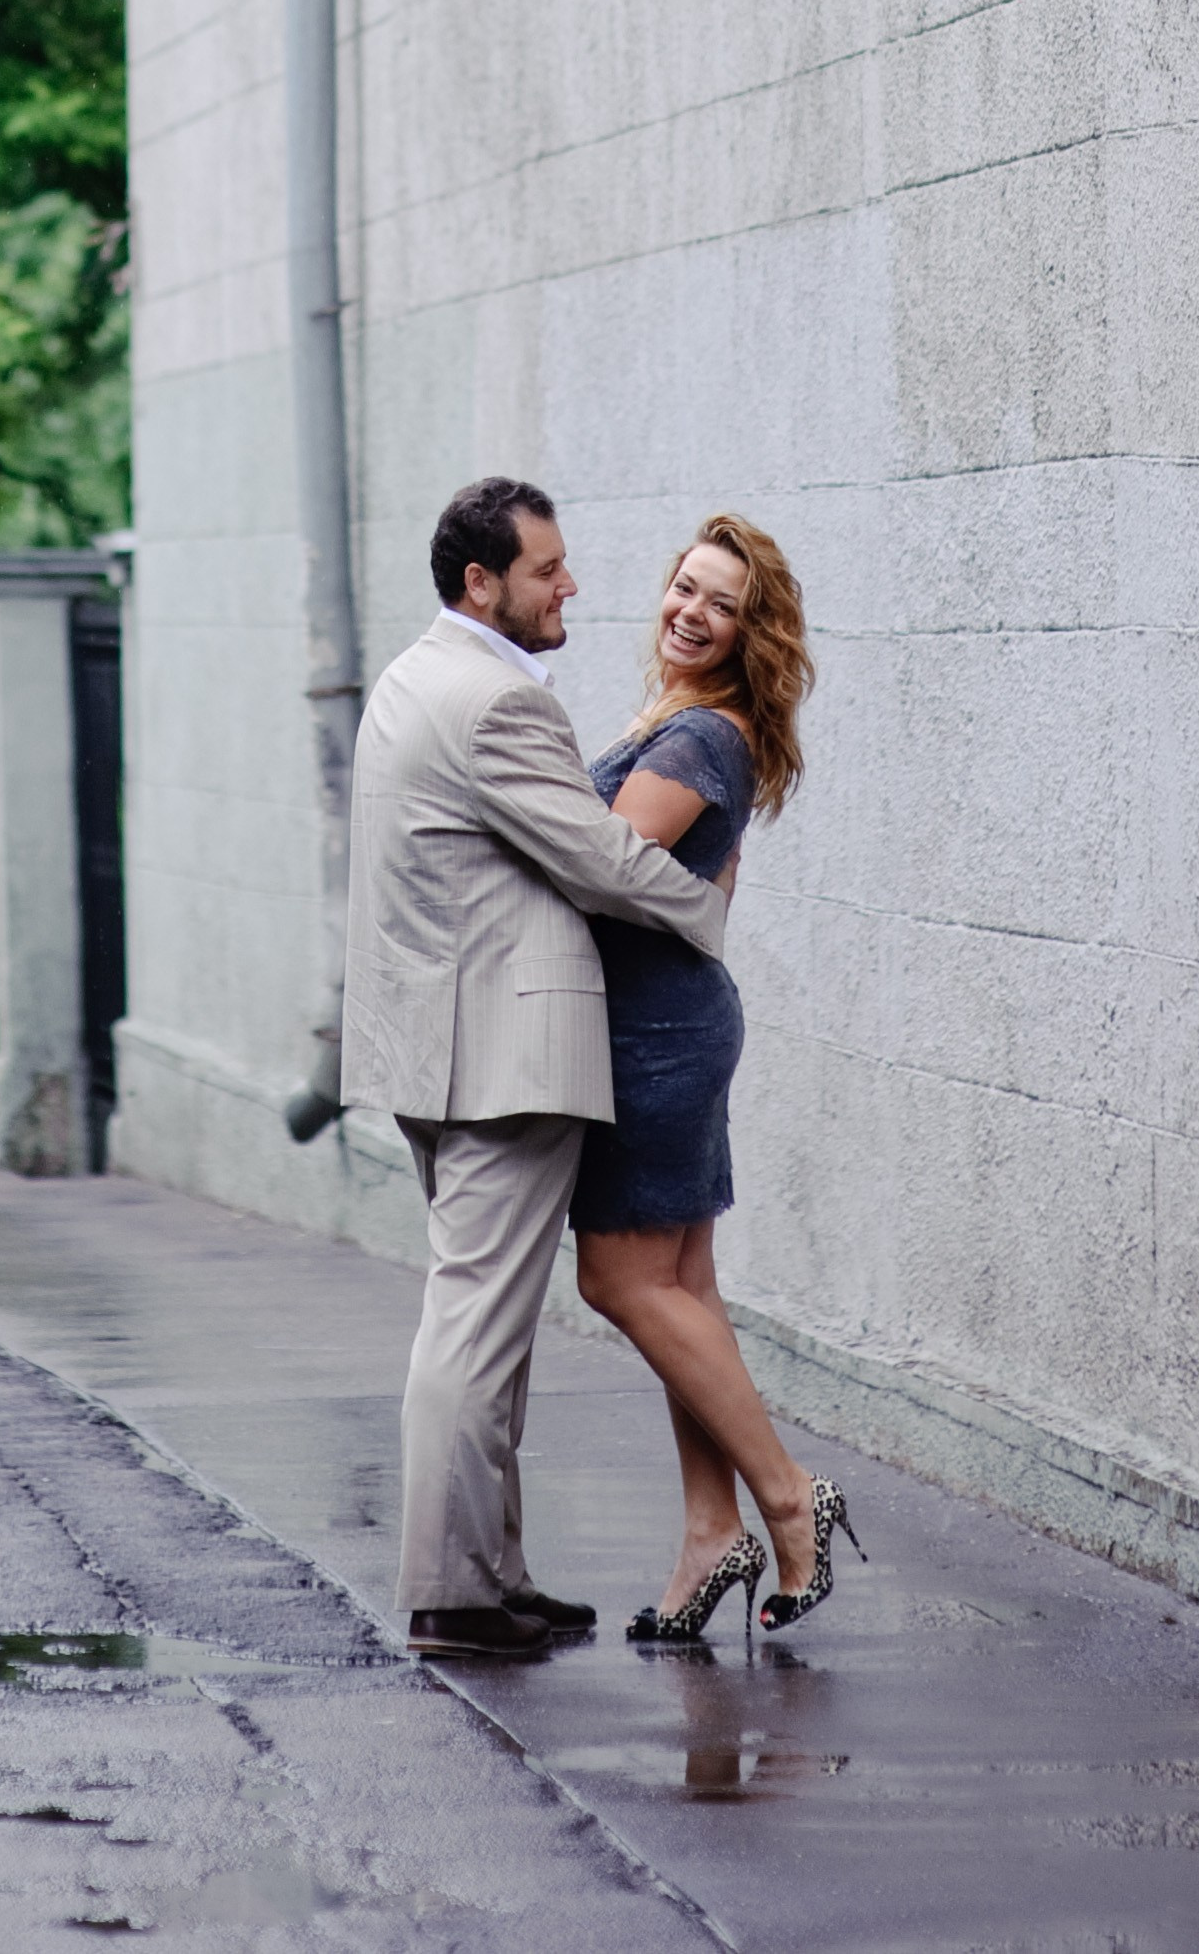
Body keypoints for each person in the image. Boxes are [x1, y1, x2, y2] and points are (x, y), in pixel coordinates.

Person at [341, 475, 735, 1664]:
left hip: (442, 1043)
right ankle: (453, 1589)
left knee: (486, 1324)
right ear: (481, 582)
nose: (571, 585)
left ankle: (491, 1572)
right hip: (504, 1057)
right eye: (547, 569)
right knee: (472, 1327)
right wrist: (707, 908)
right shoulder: (496, 703)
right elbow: (602, 858)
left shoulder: (415, 675)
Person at [573, 515, 858, 1642]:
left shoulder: (700, 738)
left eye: (719, 603)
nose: (689, 610)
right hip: (671, 1019)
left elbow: (589, 867)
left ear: (752, 630)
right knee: (682, 1287)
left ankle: (789, 1500)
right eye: (683, 588)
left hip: (652, 1035)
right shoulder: (697, 727)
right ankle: (710, 1530)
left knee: (621, 1280)